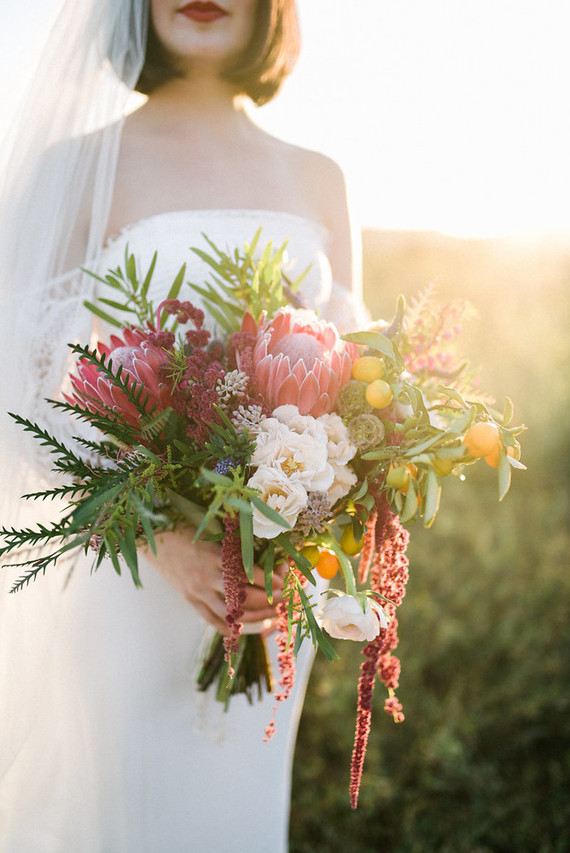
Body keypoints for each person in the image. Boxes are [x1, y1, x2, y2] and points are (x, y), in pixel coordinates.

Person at [0, 1, 364, 850]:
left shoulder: (321, 176)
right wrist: (161, 538)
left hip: (275, 583)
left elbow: (358, 386)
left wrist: (300, 522)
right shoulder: (77, 165)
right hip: (130, 574)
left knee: (236, 814)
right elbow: (21, 396)